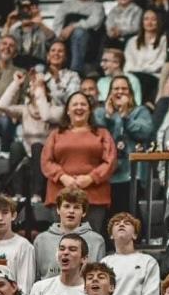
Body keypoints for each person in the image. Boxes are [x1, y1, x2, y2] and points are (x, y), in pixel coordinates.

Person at [41, 92, 118, 232]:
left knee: (91, 243)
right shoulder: (56, 134)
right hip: (61, 193)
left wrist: (91, 178)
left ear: (89, 110)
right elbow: (46, 161)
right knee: (61, 244)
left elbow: (110, 161)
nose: (79, 107)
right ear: (68, 111)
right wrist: (62, 177)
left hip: (94, 195)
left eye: (83, 104)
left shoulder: (102, 133)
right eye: (75, 104)